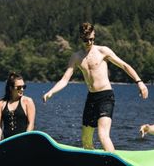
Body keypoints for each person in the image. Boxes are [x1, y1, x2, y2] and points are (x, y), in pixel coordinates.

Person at [43, 22, 148, 152]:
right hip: (91, 97)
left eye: (92, 39)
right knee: (86, 140)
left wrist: (140, 82)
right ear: (81, 37)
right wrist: (51, 92)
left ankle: (113, 164)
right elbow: (65, 79)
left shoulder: (103, 51)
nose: (89, 42)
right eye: (86, 40)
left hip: (106, 96)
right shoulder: (76, 57)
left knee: (103, 134)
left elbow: (124, 65)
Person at [0, 72, 36, 142]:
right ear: (11, 88)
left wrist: (25, 141)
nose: (22, 89)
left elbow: (31, 124)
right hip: (6, 143)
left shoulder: (28, 101)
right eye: (19, 87)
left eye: (24, 87)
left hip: (24, 143)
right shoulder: (1, 104)